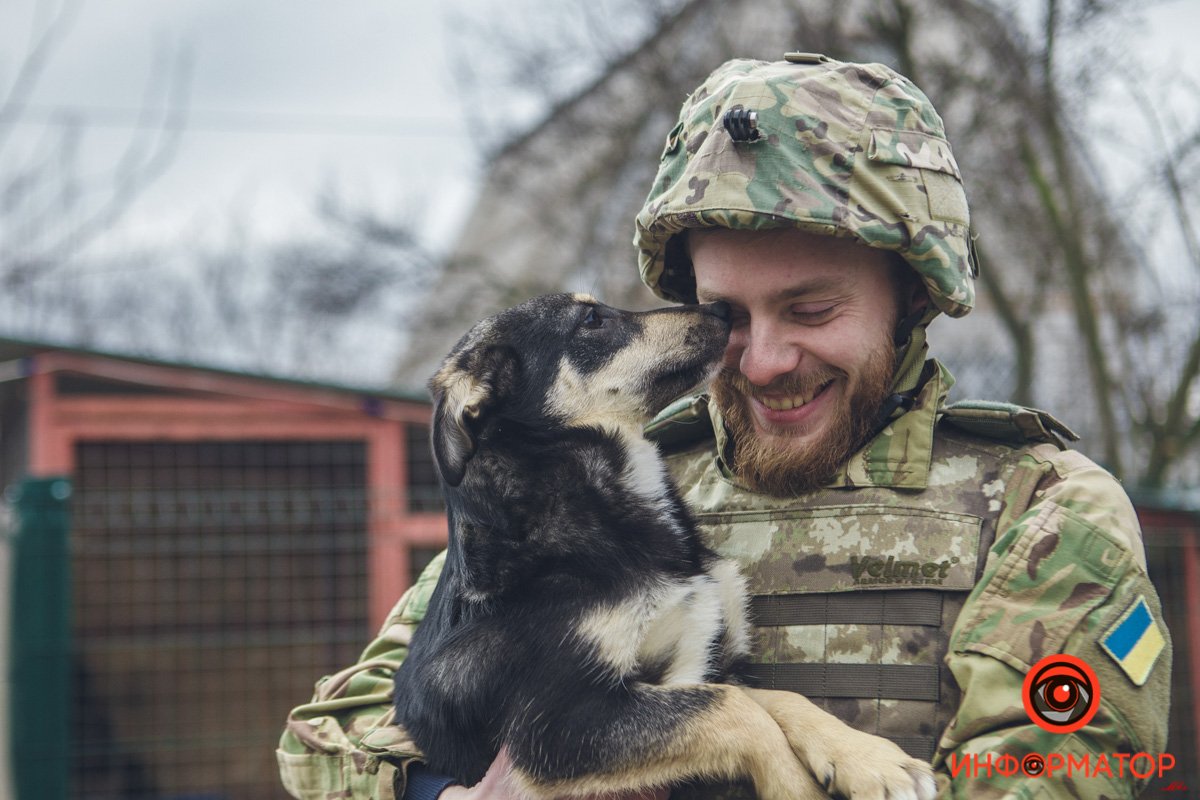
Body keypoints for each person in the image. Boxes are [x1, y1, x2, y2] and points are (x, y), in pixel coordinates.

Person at [278, 54, 1172, 800]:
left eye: (812, 309)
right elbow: (331, 745)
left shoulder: (1043, 514)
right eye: (728, 314)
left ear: (910, 297)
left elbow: (1058, 779)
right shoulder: (600, 493)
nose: (764, 359)